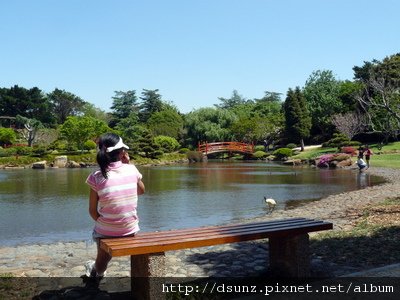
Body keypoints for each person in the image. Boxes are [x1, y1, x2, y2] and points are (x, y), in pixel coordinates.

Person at [84, 133, 145, 281]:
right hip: (130, 229)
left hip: (106, 231)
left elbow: (92, 211)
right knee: (105, 250)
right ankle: (97, 267)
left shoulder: (96, 176)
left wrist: (106, 223)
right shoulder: (131, 169)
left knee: (102, 259)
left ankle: (97, 270)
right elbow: (141, 190)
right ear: (122, 152)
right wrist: (128, 164)